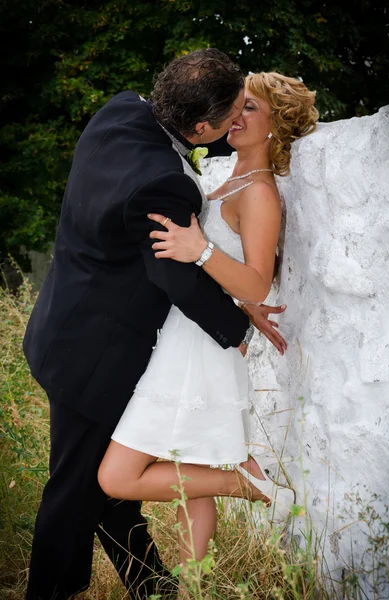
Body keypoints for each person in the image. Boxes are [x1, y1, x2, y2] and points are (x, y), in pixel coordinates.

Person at [22, 49, 288, 600]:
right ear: (199, 127)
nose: (237, 120)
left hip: (60, 327)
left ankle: (152, 588)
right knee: (76, 489)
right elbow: (174, 278)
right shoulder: (166, 183)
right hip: (96, 356)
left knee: (105, 487)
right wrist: (236, 328)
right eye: (232, 110)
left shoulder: (119, 112)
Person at [98, 72, 319, 578]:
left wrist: (201, 250)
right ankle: (194, 583)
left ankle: (247, 482)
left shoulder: (260, 193)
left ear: (274, 128)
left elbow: (258, 283)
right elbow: (236, 290)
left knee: (116, 476)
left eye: (250, 110)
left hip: (197, 351)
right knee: (188, 474)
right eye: (235, 107)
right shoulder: (227, 181)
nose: (235, 117)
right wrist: (237, 303)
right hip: (188, 338)